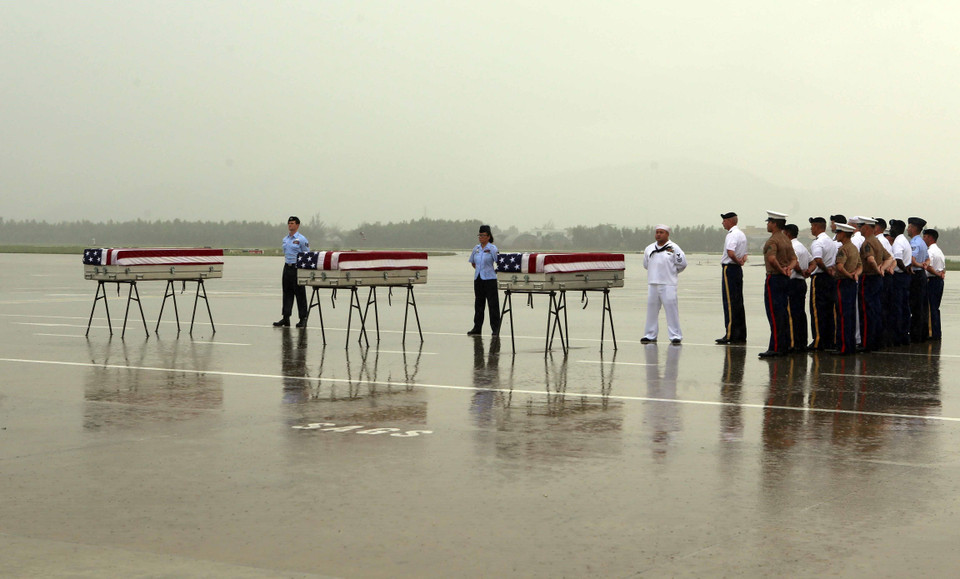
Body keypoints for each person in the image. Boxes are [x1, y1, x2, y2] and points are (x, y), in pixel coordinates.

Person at [759, 211, 798, 358]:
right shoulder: (786, 239)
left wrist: (781, 270)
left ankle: (775, 347)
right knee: (783, 313)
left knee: (774, 314)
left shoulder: (773, 241)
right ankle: (784, 345)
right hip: (785, 279)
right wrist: (789, 268)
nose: (768, 225)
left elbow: (771, 259)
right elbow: (794, 259)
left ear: (774, 224)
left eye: (769, 222)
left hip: (775, 278)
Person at [642, 225, 688, 344]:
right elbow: (646, 264)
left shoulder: (674, 248)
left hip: (668, 284)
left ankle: (675, 335)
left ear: (667, 234)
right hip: (653, 283)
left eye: (661, 232)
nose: (658, 234)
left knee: (671, 310)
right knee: (651, 311)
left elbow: (682, 264)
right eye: (657, 232)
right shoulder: (649, 248)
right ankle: (650, 334)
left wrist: (672, 273)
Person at [857, 217, 893, 352]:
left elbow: (870, 259)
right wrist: (883, 269)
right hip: (877, 280)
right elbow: (889, 258)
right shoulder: (877, 242)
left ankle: (867, 342)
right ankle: (876, 341)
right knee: (876, 310)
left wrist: (877, 269)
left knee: (866, 311)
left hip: (868, 278)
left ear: (866, 227)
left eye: (861, 226)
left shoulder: (867, 243)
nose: (859, 229)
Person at [717, 212, 748, 345]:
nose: (722, 223)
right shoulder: (741, 234)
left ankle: (730, 333)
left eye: (724, 220)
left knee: (729, 302)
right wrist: (741, 261)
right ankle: (740, 333)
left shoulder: (732, 234)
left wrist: (736, 260)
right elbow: (745, 254)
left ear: (730, 221)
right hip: (737, 269)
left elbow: (730, 252)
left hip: (729, 268)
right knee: (738, 302)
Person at [806, 217, 837, 351]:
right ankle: (829, 339)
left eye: (812, 226)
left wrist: (825, 270)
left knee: (817, 310)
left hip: (821, 278)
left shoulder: (818, 242)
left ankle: (818, 340)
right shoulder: (831, 241)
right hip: (830, 278)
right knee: (829, 310)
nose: (812, 229)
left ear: (817, 227)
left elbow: (818, 260)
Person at [274, 216, 309, 328]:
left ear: (297, 225)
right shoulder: (285, 239)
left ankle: (303, 318)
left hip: (297, 268)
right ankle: (286, 317)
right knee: (287, 293)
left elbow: (306, 254)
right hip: (287, 267)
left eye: (292, 223)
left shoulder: (302, 239)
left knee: (300, 294)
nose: (290, 225)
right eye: (289, 223)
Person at [833, 223, 862, 355]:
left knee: (842, 315)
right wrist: (856, 274)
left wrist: (848, 275)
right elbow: (860, 265)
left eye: (838, 232)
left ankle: (843, 346)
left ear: (843, 234)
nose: (837, 235)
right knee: (850, 314)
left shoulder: (843, 249)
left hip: (843, 282)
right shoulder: (854, 248)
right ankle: (850, 345)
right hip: (851, 284)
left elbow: (839, 266)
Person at [467, 225, 500, 336]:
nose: (480, 237)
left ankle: (495, 329)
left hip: (490, 280)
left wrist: (491, 271)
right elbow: (473, 262)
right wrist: (479, 270)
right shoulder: (476, 249)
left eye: (483, 235)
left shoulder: (492, 248)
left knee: (493, 305)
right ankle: (477, 328)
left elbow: (499, 262)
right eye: (479, 235)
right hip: (478, 279)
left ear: (488, 236)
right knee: (479, 305)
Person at [784, 224, 810, 352]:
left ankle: (793, 343)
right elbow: (813, 261)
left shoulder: (792, 246)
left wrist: (801, 272)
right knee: (800, 314)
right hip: (800, 283)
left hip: (793, 281)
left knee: (791, 314)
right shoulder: (802, 246)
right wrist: (808, 271)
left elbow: (796, 263)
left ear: (788, 233)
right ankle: (801, 342)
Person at [889, 219, 912, 345]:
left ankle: (898, 336)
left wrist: (905, 270)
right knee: (904, 306)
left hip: (899, 277)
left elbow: (898, 260)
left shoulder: (898, 242)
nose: (891, 230)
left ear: (897, 229)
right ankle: (904, 334)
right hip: (904, 277)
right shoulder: (904, 241)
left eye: (892, 228)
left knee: (897, 307)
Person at [907, 217, 930, 342]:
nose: (908, 229)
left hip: (915, 275)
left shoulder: (915, 243)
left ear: (914, 228)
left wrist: (921, 265)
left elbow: (912, 260)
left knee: (915, 306)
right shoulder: (922, 242)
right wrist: (924, 264)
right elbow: (927, 258)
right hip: (921, 275)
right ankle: (921, 334)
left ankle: (915, 334)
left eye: (909, 227)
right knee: (921, 306)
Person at [923, 229, 945, 340]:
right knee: (935, 307)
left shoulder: (930, 251)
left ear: (930, 238)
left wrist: (936, 274)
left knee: (931, 307)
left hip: (932, 280)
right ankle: (936, 332)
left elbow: (928, 266)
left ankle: (931, 333)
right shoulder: (939, 251)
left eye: (925, 237)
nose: (923, 239)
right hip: (939, 281)